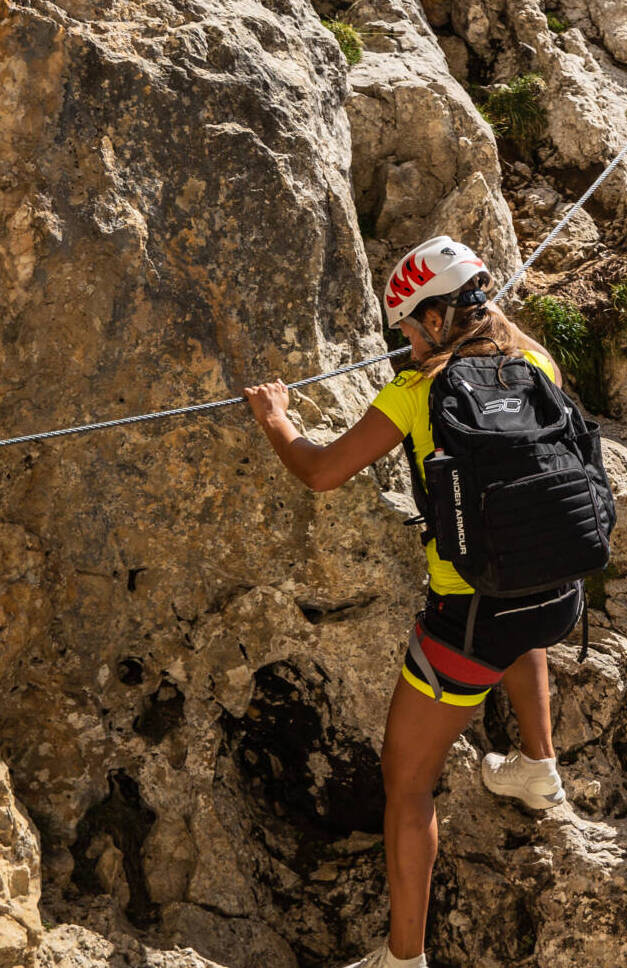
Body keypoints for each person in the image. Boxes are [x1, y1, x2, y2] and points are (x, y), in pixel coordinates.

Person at [241, 237, 584, 968]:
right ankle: (539, 766)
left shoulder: (416, 391)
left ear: (433, 318)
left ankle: (403, 959)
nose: (402, 341)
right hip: (559, 596)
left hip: (469, 623)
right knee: (518, 584)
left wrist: (275, 417)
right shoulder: (537, 364)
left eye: (406, 328)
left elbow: (322, 470)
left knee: (407, 783)